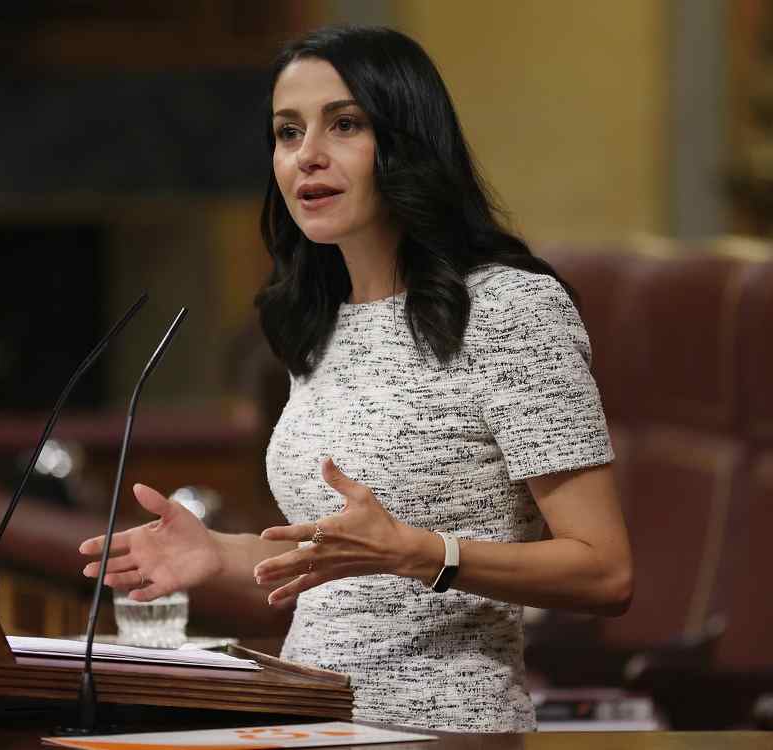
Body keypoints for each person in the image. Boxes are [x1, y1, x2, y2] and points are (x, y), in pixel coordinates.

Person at [79, 25, 632, 733]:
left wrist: (420, 552)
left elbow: (605, 571)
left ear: (406, 141)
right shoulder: (319, 322)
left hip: (446, 733)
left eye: (343, 125)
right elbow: (344, 564)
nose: (307, 155)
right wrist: (217, 554)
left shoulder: (510, 310)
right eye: (286, 132)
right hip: (310, 717)